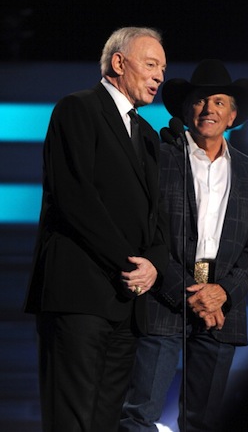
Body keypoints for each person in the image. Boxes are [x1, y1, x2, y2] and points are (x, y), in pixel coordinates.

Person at [23, 26, 169, 432]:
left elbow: (155, 216)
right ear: (119, 63)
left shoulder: (149, 136)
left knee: (105, 421)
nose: (159, 76)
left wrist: (153, 266)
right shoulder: (78, 109)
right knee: (72, 419)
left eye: (163, 68)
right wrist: (131, 264)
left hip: (126, 301)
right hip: (79, 293)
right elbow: (75, 198)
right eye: (151, 64)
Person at [120, 59, 248, 431]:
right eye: (201, 101)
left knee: (203, 420)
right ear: (187, 110)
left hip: (222, 309)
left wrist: (222, 292)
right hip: (164, 298)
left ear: (233, 115)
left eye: (219, 102)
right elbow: (143, 232)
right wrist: (190, 292)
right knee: (139, 414)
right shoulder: (158, 157)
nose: (209, 110)